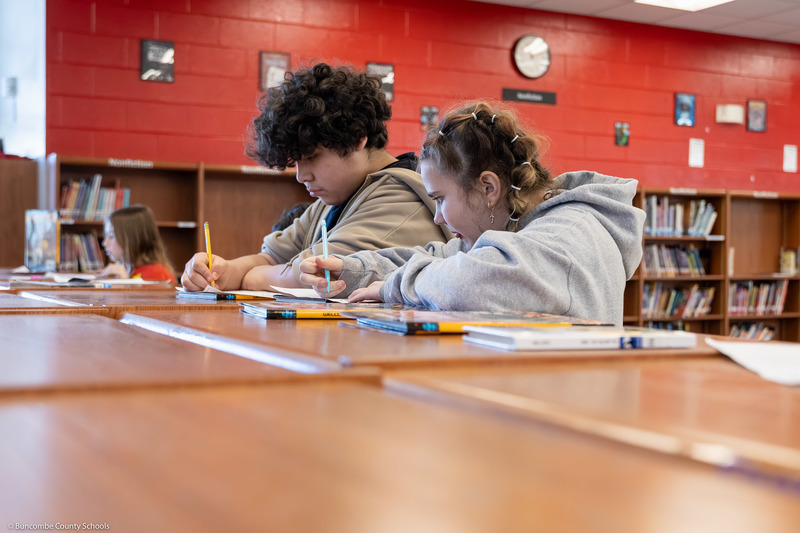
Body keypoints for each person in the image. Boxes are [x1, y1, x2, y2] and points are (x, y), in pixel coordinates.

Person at [299, 101, 645, 325]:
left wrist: (394, 285)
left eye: (440, 199)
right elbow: (436, 257)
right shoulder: (516, 228)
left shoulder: (570, 234)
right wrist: (354, 270)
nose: (437, 217)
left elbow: (473, 281)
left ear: (488, 188)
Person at [181, 62, 452, 291]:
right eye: (296, 161)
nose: (301, 175)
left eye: (311, 157)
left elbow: (311, 275)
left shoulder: (400, 198)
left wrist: (248, 277)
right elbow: (269, 257)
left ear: (357, 138)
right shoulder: (332, 201)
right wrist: (223, 270)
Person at [100, 205, 177, 284]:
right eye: (106, 236)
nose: (105, 243)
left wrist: (124, 283)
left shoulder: (156, 275)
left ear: (131, 239)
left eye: (112, 236)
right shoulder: (132, 270)